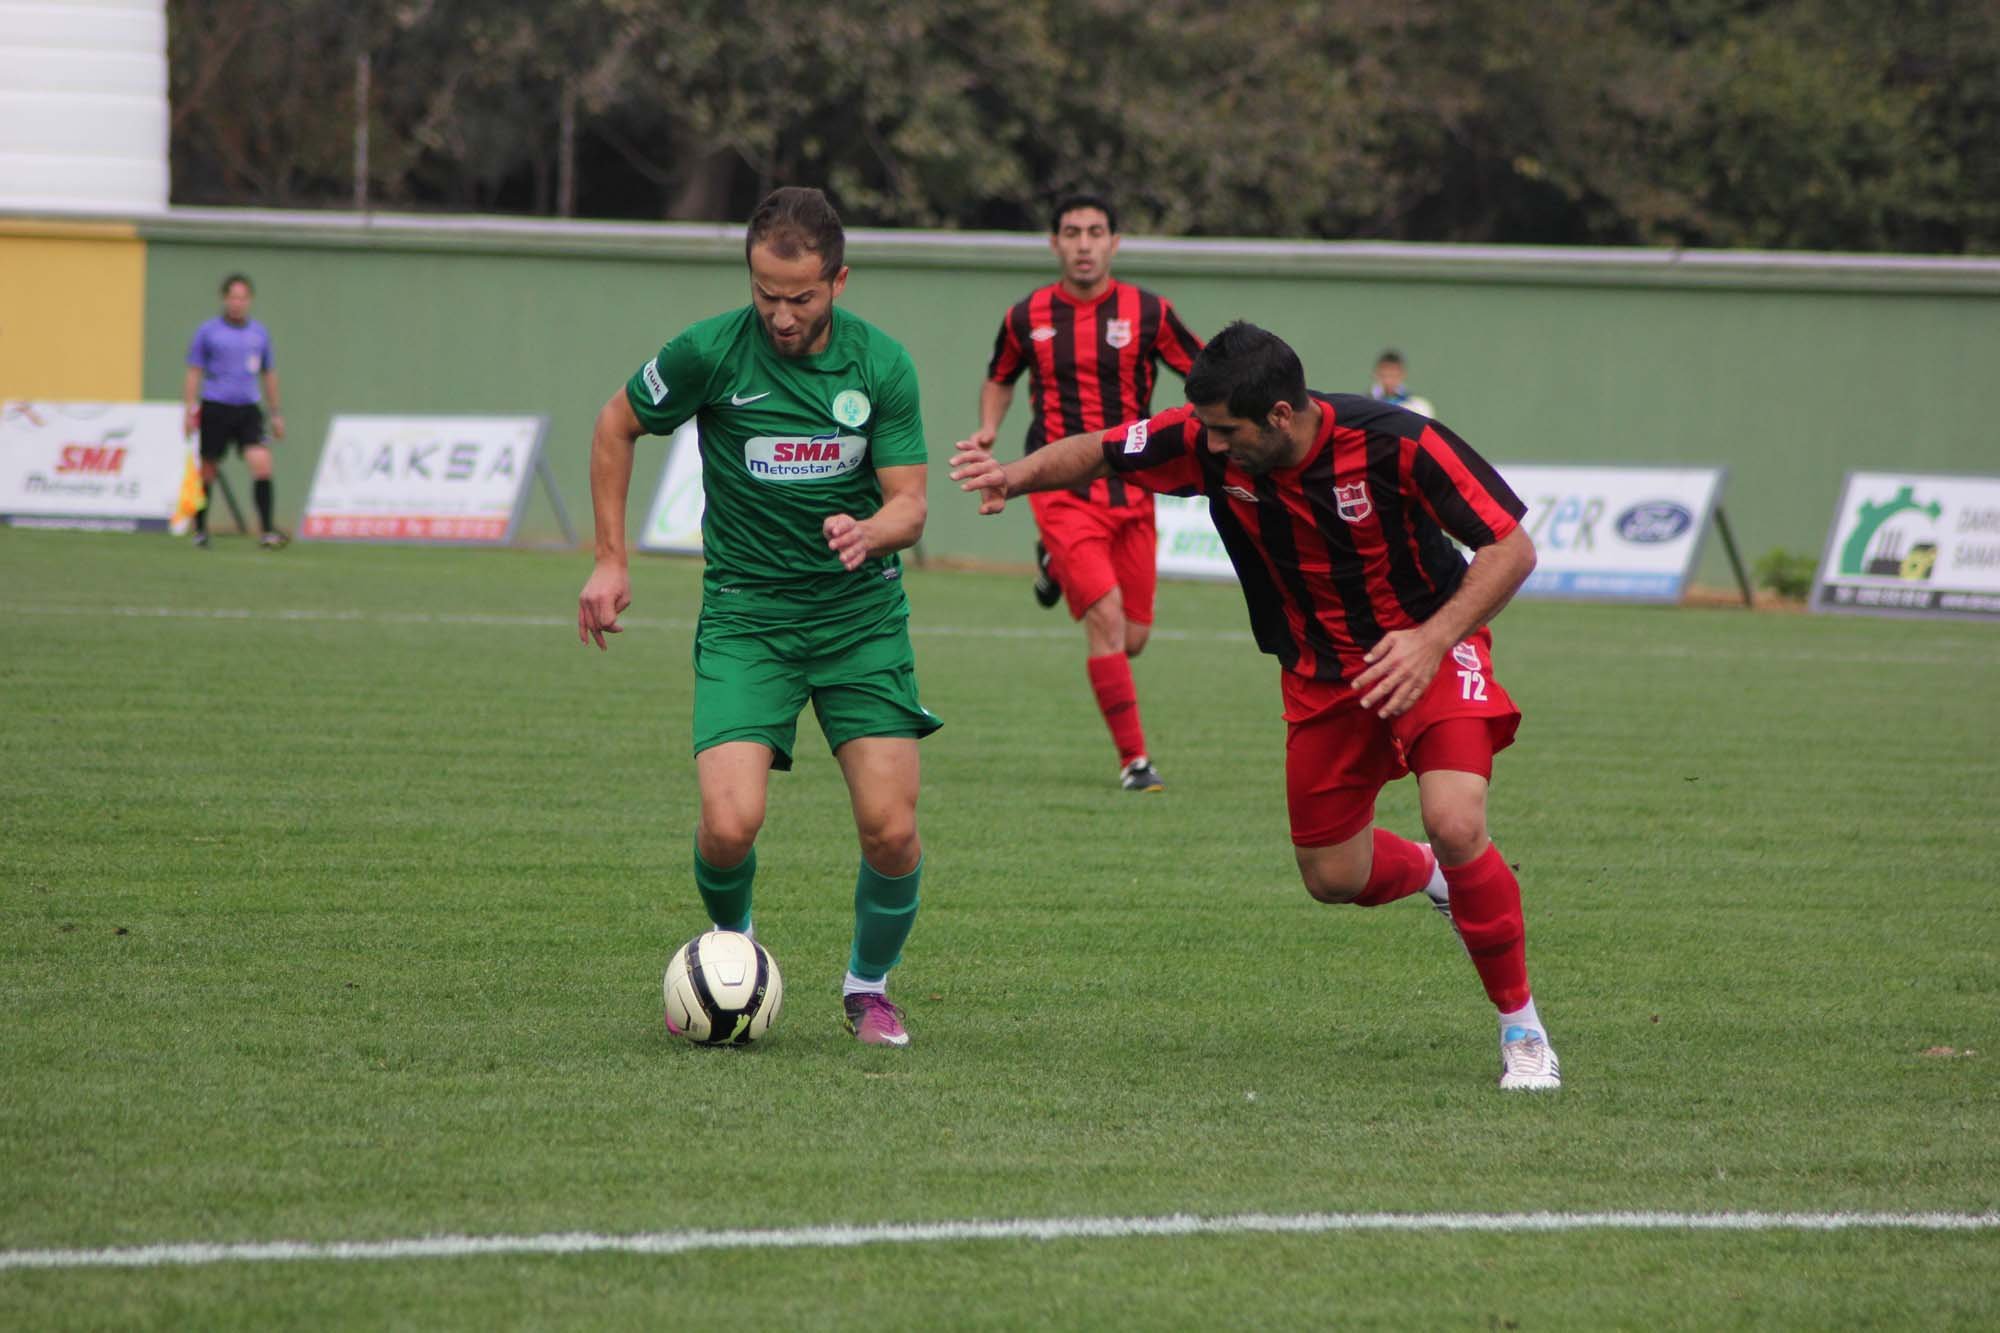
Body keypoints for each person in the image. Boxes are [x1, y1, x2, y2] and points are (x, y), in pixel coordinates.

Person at [952, 321, 1560, 1090]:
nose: (1208, 446)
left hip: (1428, 651)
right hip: (1319, 677)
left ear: (1279, 415)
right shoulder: (1208, 443)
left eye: (1225, 431)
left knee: (1457, 817)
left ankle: (1523, 1029)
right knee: (1332, 874)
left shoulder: (1400, 442)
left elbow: (1512, 548)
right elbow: (1104, 447)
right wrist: (1012, 477)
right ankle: (1435, 877)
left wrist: (1434, 640)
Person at [577, 187, 938, 1048]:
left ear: (839, 281)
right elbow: (615, 423)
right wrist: (611, 557)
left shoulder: (881, 365)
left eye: (801, 297)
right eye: (766, 293)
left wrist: (870, 529)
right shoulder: (708, 352)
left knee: (891, 829)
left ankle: (867, 987)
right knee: (729, 823)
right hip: (748, 615)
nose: (780, 314)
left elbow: (912, 505)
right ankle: (731, 952)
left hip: (859, 617)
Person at [970, 193, 1203, 794]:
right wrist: (990, 428)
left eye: (1095, 232)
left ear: (1114, 243)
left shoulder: (1149, 312)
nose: (1083, 243)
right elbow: (1000, 376)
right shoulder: (1028, 316)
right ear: (1054, 243)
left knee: (1133, 638)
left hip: (1133, 487)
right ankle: (1135, 762)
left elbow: (1203, 373)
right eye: (1071, 232)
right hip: (1060, 490)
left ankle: (1051, 565)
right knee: (1103, 620)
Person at [183, 273, 287, 547]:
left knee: (262, 464)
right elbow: (194, 372)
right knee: (208, 469)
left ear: (249, 300)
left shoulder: (259, 333)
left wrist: (276, 413)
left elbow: (269, 373)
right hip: (216, 406)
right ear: (224, 299)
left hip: (247, 409)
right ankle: (201, 530)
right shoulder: (209, 332)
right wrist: (189, 409)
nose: (237, 303)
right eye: (233, 297)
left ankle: (266, 531)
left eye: (242, 298)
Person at [1368, 348, 1433, 419]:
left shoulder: (1418, 406)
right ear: (1375, 374)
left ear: (1402, 374)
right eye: (1384, 375)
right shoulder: (1366, 405)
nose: (1388, 380)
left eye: (1393, 374)